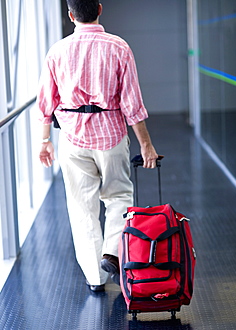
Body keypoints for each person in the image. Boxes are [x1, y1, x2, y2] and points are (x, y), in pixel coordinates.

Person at [37, 0, 158, 292]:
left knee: (82, 208)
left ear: (71, 15)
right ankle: (112, 253)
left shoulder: (57, 51)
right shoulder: (119, 47)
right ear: (100, 9)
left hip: (72, 138)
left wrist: (45, 141)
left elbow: (46, 102)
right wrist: (146, 145)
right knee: (119, 195)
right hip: (112, 136)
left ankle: (95, 278)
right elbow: (132, 104)